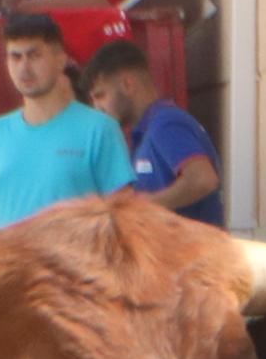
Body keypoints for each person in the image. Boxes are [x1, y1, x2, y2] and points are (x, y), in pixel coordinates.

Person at [0, 13, 128, 228]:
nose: (24, 68)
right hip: (8, 260)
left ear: (60, 60)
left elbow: (124, 216)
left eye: (34, 56)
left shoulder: (100, 129)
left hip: (74, 261)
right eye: (15, 57)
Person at [85, 38, 220, 225]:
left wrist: (144, 207)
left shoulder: (165, 123)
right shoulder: (147, 131)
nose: (97, 107)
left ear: (127, 84)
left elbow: (203, 179)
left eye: (101, 95)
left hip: (191, 251)